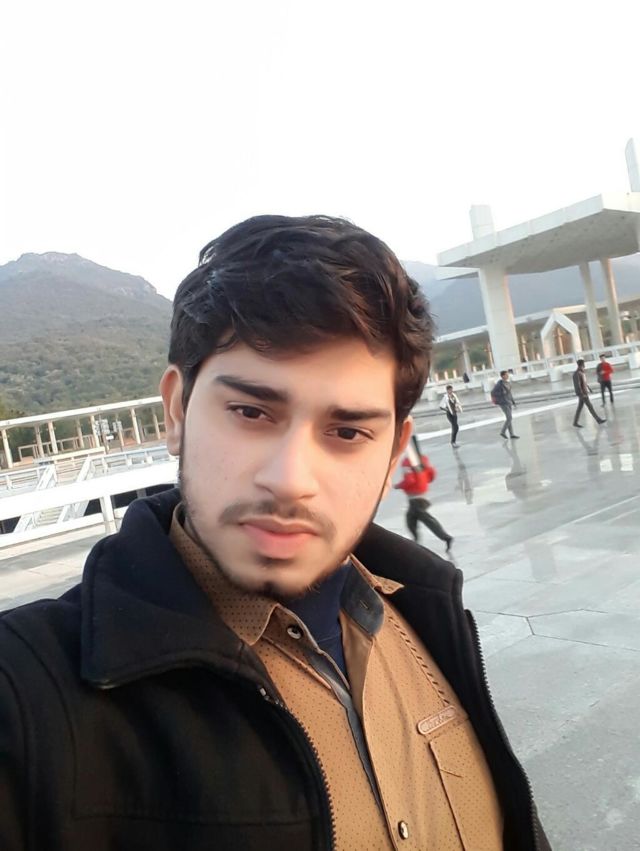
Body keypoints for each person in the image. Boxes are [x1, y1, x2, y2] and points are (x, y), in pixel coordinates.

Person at [0, 215, 549, 851]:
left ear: (395, 449)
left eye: (347, 432)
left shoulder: (429, 619)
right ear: (177, 410)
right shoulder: (28, 700)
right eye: (251, 412)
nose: (290, 481)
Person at [393, 450, 454, 552]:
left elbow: (410, 480)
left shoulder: (407, 462)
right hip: (422, 494)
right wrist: (422, 481)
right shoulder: (423, 459)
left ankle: (445, 537)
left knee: (425, 519)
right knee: (411, 518)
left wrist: (398, 486)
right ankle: (416, 542)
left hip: (415, 497)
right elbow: (432, 474)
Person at [573, 358, 606, 428]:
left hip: (584, 392)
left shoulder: (581, 372)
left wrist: (589, 389)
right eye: (583, 364)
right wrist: (582, 394)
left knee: (579, 408)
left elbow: (584, 383)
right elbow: (578, 385)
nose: (584, 365)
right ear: (581, 364)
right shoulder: (577, 373)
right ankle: (598, 420)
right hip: (583, 394)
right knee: (590, 407)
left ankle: (575, 422)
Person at [491, 369, 520, 440]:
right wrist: (502, 393)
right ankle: (503, 432)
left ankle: (512, 434)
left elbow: (509, 393)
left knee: (509, 418)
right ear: (503, 376)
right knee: (509, 418)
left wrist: (513, 402)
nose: (508, 376)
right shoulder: (499, 384)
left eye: (508, 374)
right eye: (506, 375)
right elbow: (493, 393)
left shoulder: (508, 383)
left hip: (508, 402)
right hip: (503, 403)